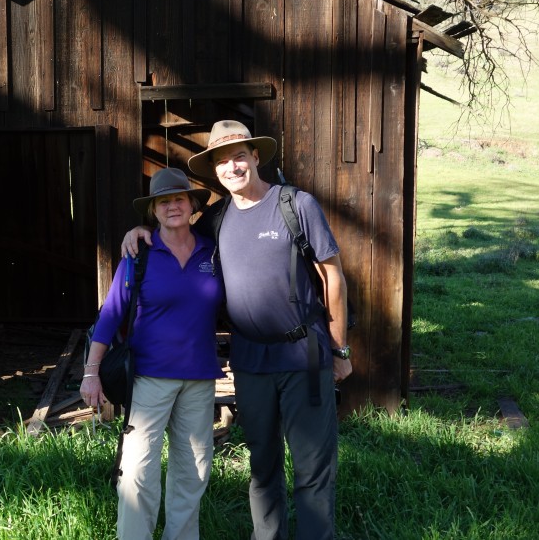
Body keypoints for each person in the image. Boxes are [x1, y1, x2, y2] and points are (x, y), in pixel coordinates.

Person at [122, 120, 352, 540]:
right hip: (250, 360)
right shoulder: (216, 217)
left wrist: (339, 350)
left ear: (255, 156)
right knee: (262, 466)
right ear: (214, 170)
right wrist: (140, 231)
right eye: (222, 161)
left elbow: (332, 276)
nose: (232, 167)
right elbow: (175, 231)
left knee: (313, 469)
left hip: (304, 355)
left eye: (239, 156)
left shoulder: (295, 205)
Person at [82, 167, 226, 540]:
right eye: (163, 202)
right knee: (137, 471)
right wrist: (90, 372)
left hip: (199, 378)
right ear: (153, 210)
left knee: (193, 470)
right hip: (148, 379)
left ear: (192, 205)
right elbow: (111, 314)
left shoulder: (213, 251)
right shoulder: (139, 254)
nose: (172, 206)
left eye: (179, 199)